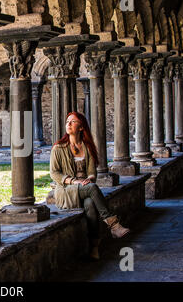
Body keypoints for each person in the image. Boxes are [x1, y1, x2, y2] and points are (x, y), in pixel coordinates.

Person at [50, 111, 130, 260]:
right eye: (67, 121)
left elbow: (92, 173)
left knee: (90, 206)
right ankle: (113, 224)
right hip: (66, 191)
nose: (68, 124)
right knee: (92, 188)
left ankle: (94, 246)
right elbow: (54, 173)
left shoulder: (87, 147)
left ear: (81, 127)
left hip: (85, 190)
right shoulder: (58, 148)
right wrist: (75, 181)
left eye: (73, 122)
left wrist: (89, 179)